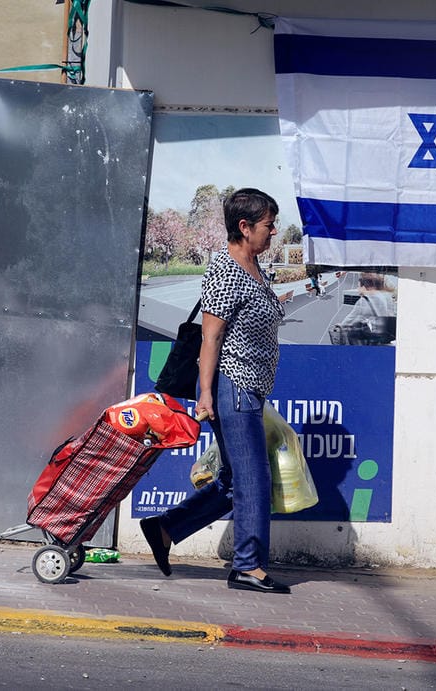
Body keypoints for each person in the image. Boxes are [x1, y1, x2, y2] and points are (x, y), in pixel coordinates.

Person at [140, 188, 291, 594]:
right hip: (235, 387)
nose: (274, 231)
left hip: (252, 388)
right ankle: (248, 566)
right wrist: (205, 394)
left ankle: (167, 527)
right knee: (253, 479)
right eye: (268, 225)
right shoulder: (226, 271)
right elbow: (211, 338)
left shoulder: (253, 266)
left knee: (230, 480)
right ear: (244, 227)